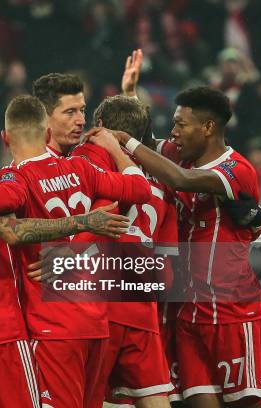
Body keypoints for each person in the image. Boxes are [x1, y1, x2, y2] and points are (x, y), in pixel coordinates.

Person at [0, 95, 153, 407]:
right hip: (96, 323)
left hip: (50, 325)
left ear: (5, 138)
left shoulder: (13, 177)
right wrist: (116, 149)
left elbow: (6, 204)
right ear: (47, 134)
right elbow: (140, 189)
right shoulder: (81, 168)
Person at [90, 86, 261, 408]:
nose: (173, 133)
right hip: (188, 315)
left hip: (234, 313)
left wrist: (123, 139)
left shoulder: (236, 170)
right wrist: (130, 97)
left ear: (208, 127)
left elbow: (180, 180)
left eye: (181, 125)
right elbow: (144, 141)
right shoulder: (177, 154)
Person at [81, 95, 178, 408]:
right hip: (143, 308)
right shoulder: (162, 184)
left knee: (90, 398)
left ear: (100, 128)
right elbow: (168, 266)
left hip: (103, 303)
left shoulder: (96, 166)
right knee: (153, 397)